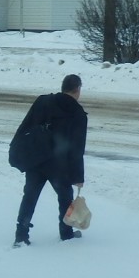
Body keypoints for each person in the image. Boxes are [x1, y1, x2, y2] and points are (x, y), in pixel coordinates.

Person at [10, 74, 88, 246]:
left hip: (36, 160)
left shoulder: (43, 101)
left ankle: (21, 234)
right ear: (78, 90)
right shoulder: (78, 113)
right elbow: (77, 149)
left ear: (63, 87)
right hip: (59, 166)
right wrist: (78, 177)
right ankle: (66, 233)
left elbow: (25, 127)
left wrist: (21, 152)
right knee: (65, 198)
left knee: (29, 196)